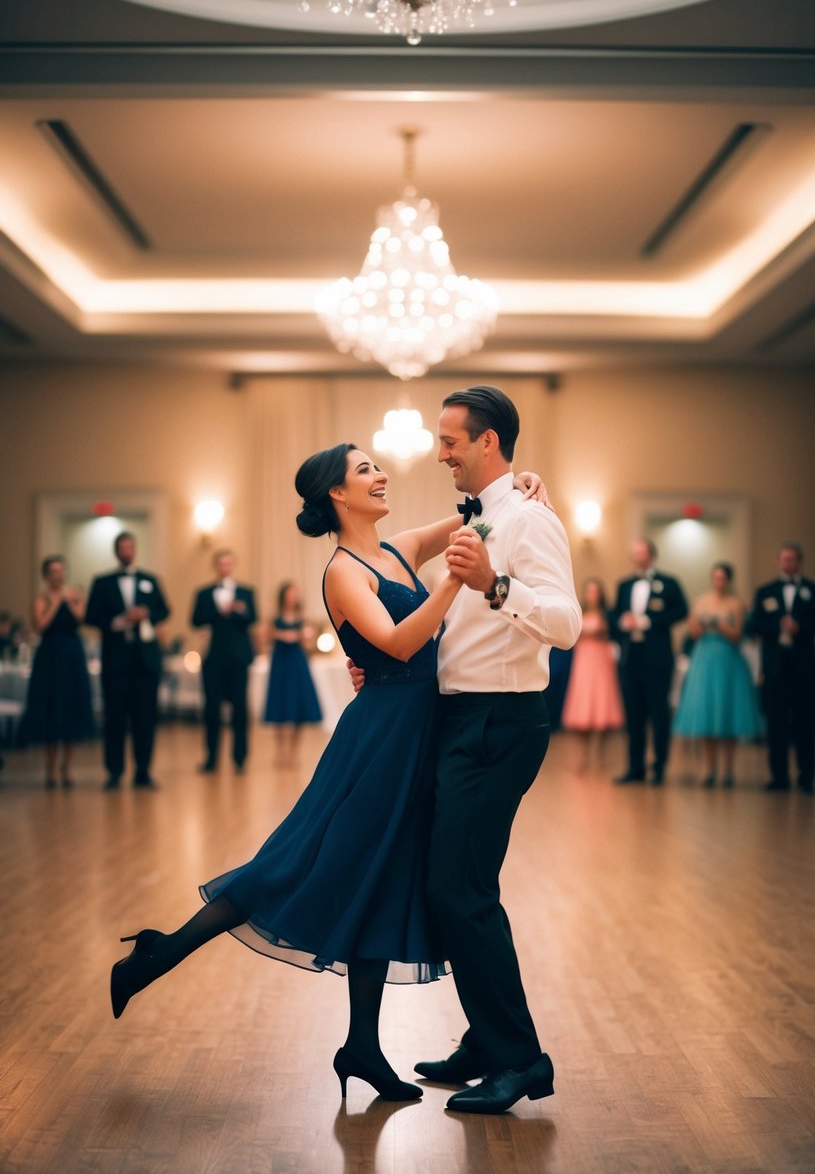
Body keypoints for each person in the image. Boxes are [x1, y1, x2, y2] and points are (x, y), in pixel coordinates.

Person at [108, 443, 551, 1102]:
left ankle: (362, 1047)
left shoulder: (398, 547)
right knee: (302, 863)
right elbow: (399, 644)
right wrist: (456, 582)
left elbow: (473, 523)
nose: (380, 474)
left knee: (382, 878)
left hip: (417, 735)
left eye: (377, 464)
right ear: (336, 495)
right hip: (378, 742)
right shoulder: (342, 571)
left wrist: (515, 485)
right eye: (364, 469)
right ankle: (161, 952)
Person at [405, 385, 581, 1116]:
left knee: (461, 892)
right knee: (450, 888)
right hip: (458, 719)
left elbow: (567, 624)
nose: (439, 451)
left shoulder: (531, 521)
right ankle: (485, 1038)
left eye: (450, 440)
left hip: (498, 725)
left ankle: (520, 1062)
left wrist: (496, 584)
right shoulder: (483, 511)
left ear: (486, 442)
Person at [86, 532, 170, 790]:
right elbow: (90, 616)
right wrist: (117, 622)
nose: (126, 551)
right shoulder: (102, 582)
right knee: (114, 717)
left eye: (130, 547)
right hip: (115, 661)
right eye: (122, 547)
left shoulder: (149, 580)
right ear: (117, 551)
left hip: (145, 661)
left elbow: (165, 610)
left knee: (145, 717)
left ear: (134, 550)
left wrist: (146, 613)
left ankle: (143, 770)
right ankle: (114, 772)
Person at [748, 541, 815, 794]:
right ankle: (778, 776)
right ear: (778, 562)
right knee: (776, 724)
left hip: (804, 668)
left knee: (806, 724)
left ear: (800, 562)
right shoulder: (765, 591)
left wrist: (799, 626)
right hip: (775, 668)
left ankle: (807, 777)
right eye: (785, 559)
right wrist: (777, 627)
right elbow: (755, 625)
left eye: (794, 559)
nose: (789, 564)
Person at [673, 562, 762, 787]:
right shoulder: (702, 601)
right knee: (707, 713)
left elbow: (738, 635)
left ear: (729, 580)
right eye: (716, 578)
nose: (719, 582)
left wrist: (721, 625)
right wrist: (700, 625)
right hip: (704, 660)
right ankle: (708, 768)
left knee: (727, 713)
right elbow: (692, 632)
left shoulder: (736, 604)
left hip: (728, 660)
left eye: (723, 578)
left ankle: (728, 769)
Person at [610, 538, 688, 786]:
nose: (638, 557)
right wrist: (622, 623)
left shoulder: (668, 583)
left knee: (658, 713)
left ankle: (659, 767)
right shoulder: (624, 585)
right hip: (631, 658)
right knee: (633, 714)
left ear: (651, 555)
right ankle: (635, 767)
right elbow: (614, 615)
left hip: (658, 659)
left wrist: (650, 622)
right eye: (635, 553)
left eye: (642, 552)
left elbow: (682, 611)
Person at [18, 555, 95, 788]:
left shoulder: (74, 595)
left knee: (71, 708)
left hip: (72, 656)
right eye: (53, 571)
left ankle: (67, 765)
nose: (57, 575)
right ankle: (50, 767)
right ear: (46, 575)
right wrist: (56, 602)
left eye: (61, 571)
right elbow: (40, 626)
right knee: (51, 709)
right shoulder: (41, 599)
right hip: (49, 658)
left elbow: (82, 619)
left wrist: (70, 601)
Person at [191, 549, 257, 774]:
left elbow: (253, 618)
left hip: (239, 658)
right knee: (211, 710)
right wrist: (218, 610)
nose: (225, 567)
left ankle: (240, 758)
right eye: (221, 563)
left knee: (240, 709)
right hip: (213, 658)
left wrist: (238, 611)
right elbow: (195, 620)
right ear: (215, 566)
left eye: (229, 563)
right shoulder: (203, 593)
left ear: (233, 565)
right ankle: (211, 758)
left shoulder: (246, 592)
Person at [561, 578, 624, 767]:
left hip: (602, 660)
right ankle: (583, 754)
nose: (592, 595)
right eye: (589, 591)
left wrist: (603, 632)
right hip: (584, 661)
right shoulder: (578, 613)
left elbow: (616, 633)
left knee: (602, 702)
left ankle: (600, 755)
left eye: (595, 591)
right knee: (584, 703)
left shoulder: (608, 615)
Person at [264, 580, 322, 766]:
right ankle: (280, 752)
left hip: (297, 663)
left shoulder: (302, 618)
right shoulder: (275, 618)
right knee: (280, 705)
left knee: (298, 706)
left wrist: (304, 636)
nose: (292, 597)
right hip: (281, 664)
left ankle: (294, 753)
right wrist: (281, 635)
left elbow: (310, 644)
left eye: (294, 593)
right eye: (289, 593)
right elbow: (265, 637)